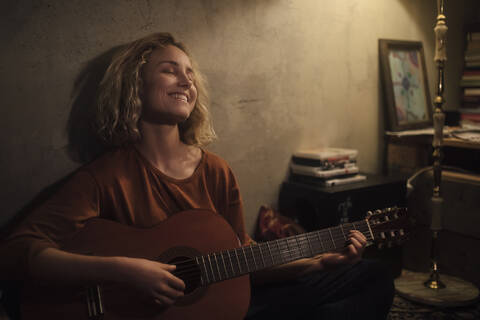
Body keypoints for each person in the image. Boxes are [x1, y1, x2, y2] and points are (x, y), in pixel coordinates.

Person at [0, 32, 394, 319]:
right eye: (170, 71)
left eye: (190, 73)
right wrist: (124, 269)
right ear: (134, 86)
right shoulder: (107, 176)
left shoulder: (217, 171)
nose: (187, 80)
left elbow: (242, 259)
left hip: (220, 305)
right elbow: (17, 251)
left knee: (371, 276)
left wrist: (317, 263)